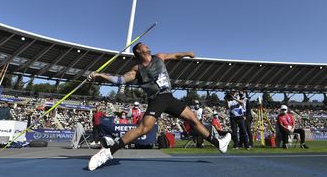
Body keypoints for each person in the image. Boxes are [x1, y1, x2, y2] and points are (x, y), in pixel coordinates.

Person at [87, 42, 231, 171]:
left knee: (193, 119)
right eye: (143, 45)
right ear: (138, 51)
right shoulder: (137, 69)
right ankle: (107, 152)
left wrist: (187, 53)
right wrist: (99, 75)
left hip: (169, 97)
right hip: (157, 99)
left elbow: (174, 55)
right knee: (143, 129)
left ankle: (218, 143)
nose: (147, 45)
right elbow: (120, 80)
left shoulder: (159, 57)